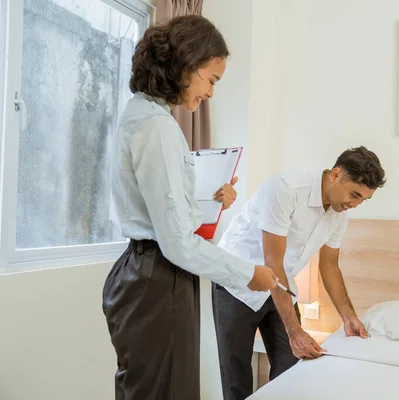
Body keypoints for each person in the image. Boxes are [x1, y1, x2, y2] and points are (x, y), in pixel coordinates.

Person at [101, 15, 278, 400]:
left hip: (145, 271)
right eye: (211, 80)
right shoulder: (158, 127)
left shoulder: (141, 114)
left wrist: (208, 199)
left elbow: (156, 208)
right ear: (185, 64)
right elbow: (177, 242)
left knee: (150, 389)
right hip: (158, 277)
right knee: (166, 391)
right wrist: (249, 274)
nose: (211, 93)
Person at [213, 146, 386, 400]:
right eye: (354, 195)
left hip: (280, 285)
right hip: (237, 284)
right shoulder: (286, 188)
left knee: (293, 371)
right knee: (236, 381)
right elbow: (273, 262)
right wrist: (295, 331)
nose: (356, 204)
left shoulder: (340, 211)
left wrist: (348, 317)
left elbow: (329, 266)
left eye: (363, 200)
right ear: (335, 175)